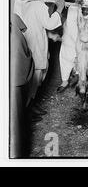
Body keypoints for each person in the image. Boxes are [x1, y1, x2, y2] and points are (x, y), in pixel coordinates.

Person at [21, 0, 64, 105]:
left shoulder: (34, 2)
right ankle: (28, 110)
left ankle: (32, 106)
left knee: (36, 80)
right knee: (35, 80)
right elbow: (50, 24)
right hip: (35, 44)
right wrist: (59, 9)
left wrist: (52, 36)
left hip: (34, 41)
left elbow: (40, 24)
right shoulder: (39, 5)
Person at [10, 14, 34, 157]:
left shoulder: (12, 17)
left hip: (17, 76)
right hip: (14, 81)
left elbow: (24, 30)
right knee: (16, 121)